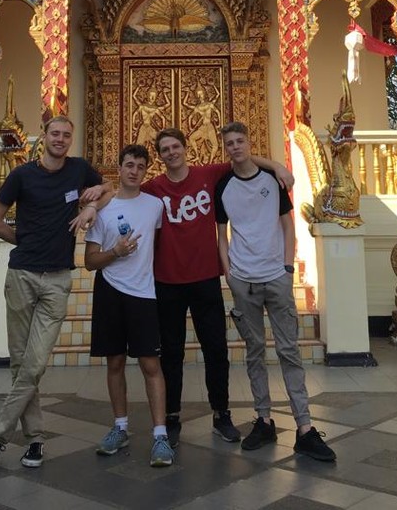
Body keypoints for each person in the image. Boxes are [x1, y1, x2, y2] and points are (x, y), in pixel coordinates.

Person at [141, 125, 293, 448]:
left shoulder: (208, 176)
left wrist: (278, 166)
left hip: (205, 277)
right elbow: (126, 191)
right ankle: (170, 416)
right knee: (171, 352)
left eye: (175, 147)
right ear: (160, 155)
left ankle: (221, 413)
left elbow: (245, 159)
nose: (171, 153)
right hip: (166, 280)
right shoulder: (154, 187)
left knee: (215, 349)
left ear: (185, 149)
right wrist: (97, 197)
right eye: (165, 149)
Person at [0, 115, 106, 473]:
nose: (60, 139)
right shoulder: (22, 175)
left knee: (35, 362)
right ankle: (35, 440)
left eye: (66, 135)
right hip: (23, 275)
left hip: (58, 279)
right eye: (55, 134)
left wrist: (92, 204)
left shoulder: (79, 170)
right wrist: (26, 240)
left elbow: (108, 188)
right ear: (43, 137)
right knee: (21, 365)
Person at [215, 121, 336, 462]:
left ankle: (305, 427)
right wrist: (228, 272)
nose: (235, 147)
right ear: (224, 148)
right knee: (254, 351)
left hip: (275, 276)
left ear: (249, 142)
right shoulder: (223, 184)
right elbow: (220, 232)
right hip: (243, 278)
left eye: (240, 141)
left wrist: (287, 267)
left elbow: (287, 223)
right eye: (229, 143)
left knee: (288, 351)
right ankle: (264, 419)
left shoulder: (273, 179)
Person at [84, 144, 174, 468]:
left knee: (151, 364)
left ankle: (160, 436)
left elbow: (161, 243)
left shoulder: (155, 206)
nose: (134, 170)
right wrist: (116, 253)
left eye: (140, 166)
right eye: (129, 165)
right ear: (119, 169)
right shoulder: (101, 211)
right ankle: (120, 427)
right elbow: (89, 261)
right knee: (115, 363)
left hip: (144, 294)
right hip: (110, 291)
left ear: (145, 171)